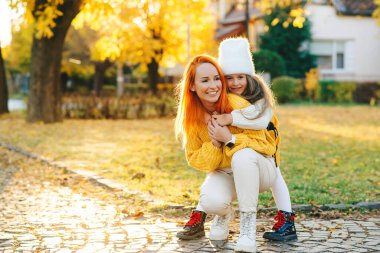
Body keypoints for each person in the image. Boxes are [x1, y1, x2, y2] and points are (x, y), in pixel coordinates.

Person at [176, 38, 297, 245]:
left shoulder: (250, 99)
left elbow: (262, 124)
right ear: (193, 87)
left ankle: (276, 222)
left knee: (270, 171)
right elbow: (198, 160)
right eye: (227, 78)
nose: (233, 83)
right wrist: (215, 144)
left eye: (216, 79)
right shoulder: (193, 117)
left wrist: (229, 134)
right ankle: (215, 213)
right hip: (228, 169)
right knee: (215, 190)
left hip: (264, 150)